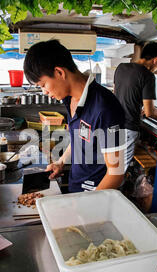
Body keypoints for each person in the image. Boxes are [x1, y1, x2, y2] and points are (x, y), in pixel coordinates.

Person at [23, 40, 127, 193]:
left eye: (43, 85)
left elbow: (115, 174)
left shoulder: (105, 108)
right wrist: (61, 162)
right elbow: (79, 137)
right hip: (76, 188)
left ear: (59, 72)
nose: (44, 92)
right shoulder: (69, 98)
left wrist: (85, 202)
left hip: (96, 196)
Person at [114, 42, 157, 172]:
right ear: (156, 59)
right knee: (119, 172)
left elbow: (116, 94)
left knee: (111, 166)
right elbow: (150, 112)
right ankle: (114, 191)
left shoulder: (121, 67)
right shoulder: (148, 76)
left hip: (112, 125)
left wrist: (137, 107)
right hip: (128, 129)